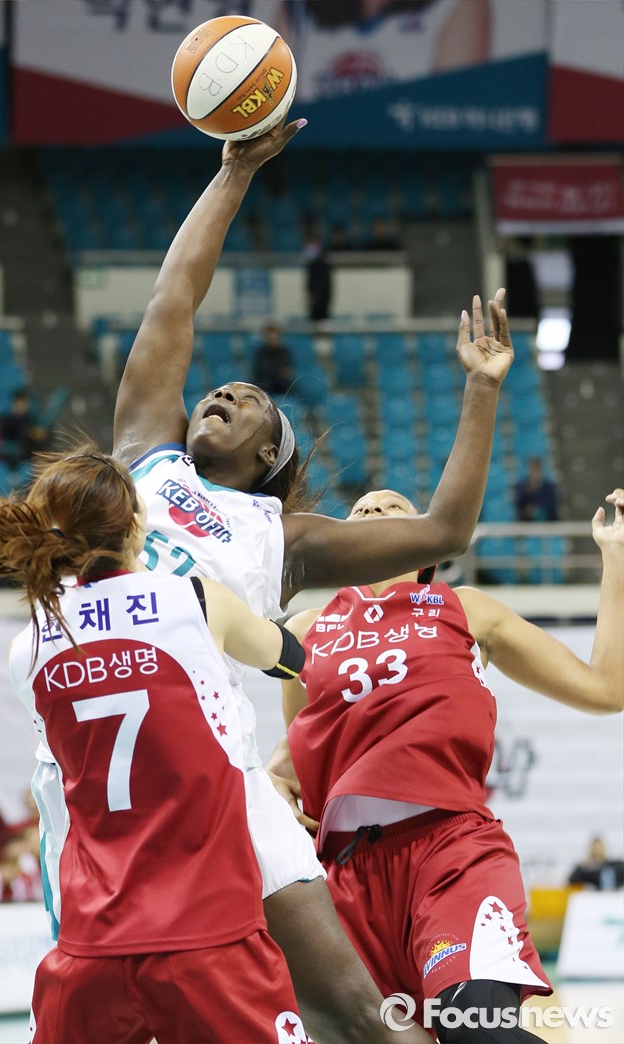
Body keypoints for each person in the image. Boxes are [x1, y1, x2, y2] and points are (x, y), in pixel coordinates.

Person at [110, 114, 513, 1043]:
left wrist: (483, 388)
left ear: (269, 456)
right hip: (105, 768)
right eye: (220, 389)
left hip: (217, 763)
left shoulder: (282, 537)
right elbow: (174, 299)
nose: (223, 391)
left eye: (249, 400)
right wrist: (234, 174)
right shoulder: (144, 458)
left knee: (358, 1015)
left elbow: (445, 530)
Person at [0, 446, 309, 1043]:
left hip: (92, 944)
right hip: (207, 933)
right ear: (136, 522)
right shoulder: (197, 599)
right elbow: (286, 659)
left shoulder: (29, 646)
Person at [271, 485, 623, 1042]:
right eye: (360, 509)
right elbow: (300, 746)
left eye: (393, 507)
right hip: (346, 877)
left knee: (476, 1029)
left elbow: (605, 687)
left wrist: (617, 557)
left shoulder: (465, 607)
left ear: (426, 544)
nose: (372, 510)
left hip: (449, 853)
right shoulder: (305, 629)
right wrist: (273, 779)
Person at [252, 323, 296, 397]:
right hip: (265, 384)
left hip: (281, 385)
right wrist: (279, 371)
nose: (272, 341)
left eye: (274, 338)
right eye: (270, 338)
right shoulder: (260, 352)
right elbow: (264, 370)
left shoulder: (284, 352)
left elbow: (288, 371)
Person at [514, 457, 558, 522]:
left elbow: (552, 504)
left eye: (537, 469)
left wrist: (538, 509)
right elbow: (519, 505)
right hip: (527, 522)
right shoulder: (522, 486)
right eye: (532, 469)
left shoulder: (549, 486)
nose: (534, 472)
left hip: (547, 522)